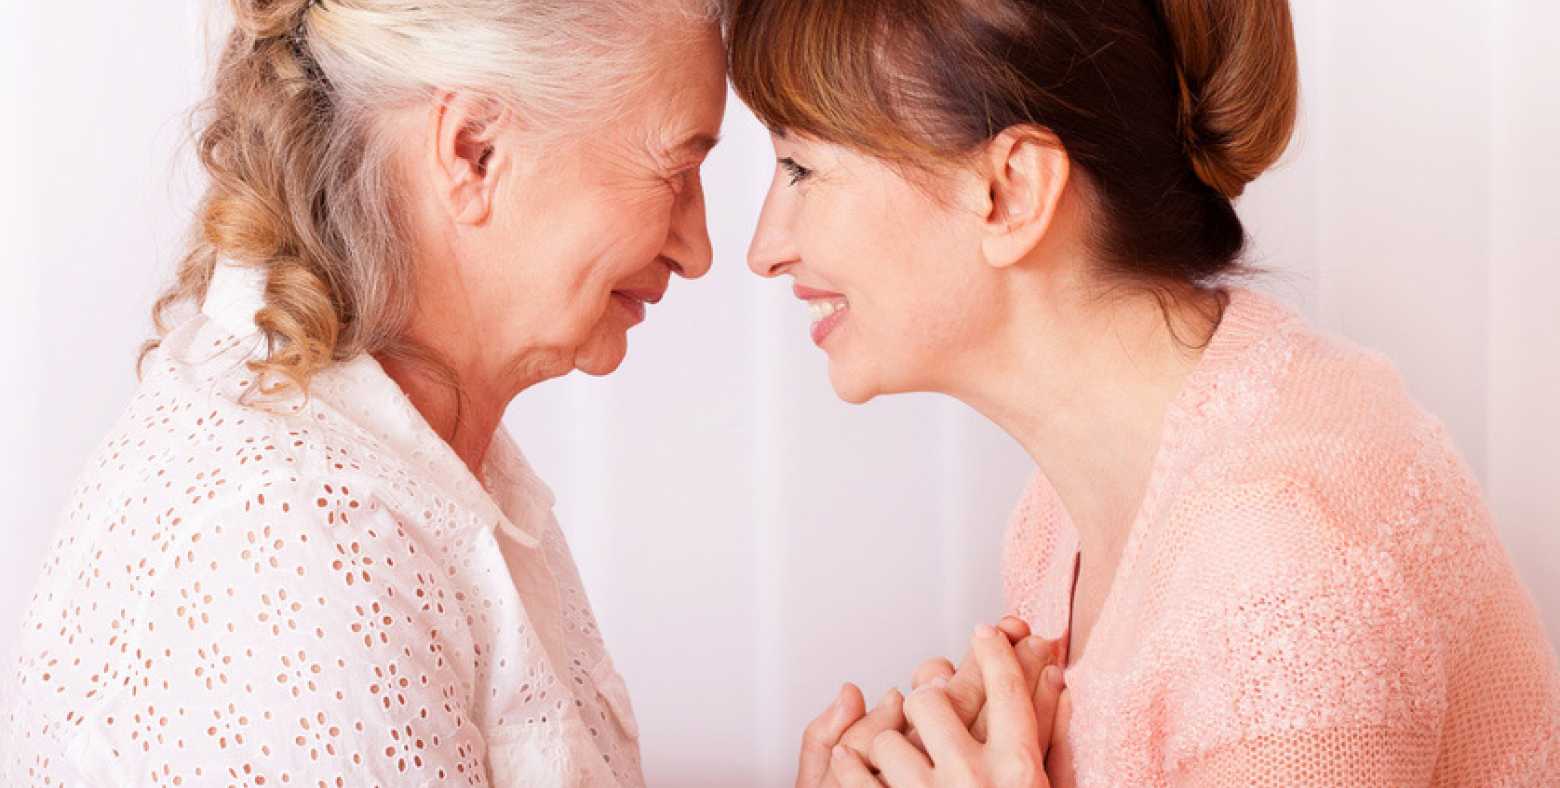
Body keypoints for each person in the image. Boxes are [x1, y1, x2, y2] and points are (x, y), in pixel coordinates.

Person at [725, 0, 1560, 783]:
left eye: (800, 167)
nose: (765, 248)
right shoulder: (1064, 514)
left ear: (1010, 189)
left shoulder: (1277, 564)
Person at [0, 0, 725, 784]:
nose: (699, 249)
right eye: (677, 170)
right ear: (474, 151)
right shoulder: (296, 537)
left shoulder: (414, 466)